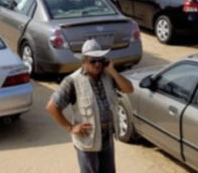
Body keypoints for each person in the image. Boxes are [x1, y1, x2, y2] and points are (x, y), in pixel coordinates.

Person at [46, 39, 134, 173]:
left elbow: (129, 89)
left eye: (101, 60)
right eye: (93, 61)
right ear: (84, 61)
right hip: (87, 142)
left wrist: (113, 71)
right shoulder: (72, 81)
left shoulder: (108, 76)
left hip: (107, 138)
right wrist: (70, 127)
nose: (98, 64)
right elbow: (52, 107)